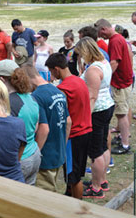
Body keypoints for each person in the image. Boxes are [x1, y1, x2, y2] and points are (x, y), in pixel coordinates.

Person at [46, 53, 92, 200]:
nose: (52, 75)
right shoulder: (79, 81)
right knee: (74, 172)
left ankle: (77, 206)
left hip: (73, 135)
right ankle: (69, 195)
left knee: (73, 176)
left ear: (57, 69)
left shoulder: (63, 88)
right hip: (85, 130)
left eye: (52, 71)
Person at [74, 37, 115, 199]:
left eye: (80, 54)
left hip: (97, 111)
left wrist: (85, 116)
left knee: (95, 151)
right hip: (107, 106)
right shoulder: (104, 62)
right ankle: (102, 181)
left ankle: (96, 187)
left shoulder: (92, 70)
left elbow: (92, 96)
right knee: (103, 147)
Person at [0, 59, 41, 185]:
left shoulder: (9, 104)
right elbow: (35, 127)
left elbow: (4, 137)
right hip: (33, 154)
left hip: (20, 159)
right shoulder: (31, 97)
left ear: (2, 80)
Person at [25, 64, 71, 193]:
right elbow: (68, 121)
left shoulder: (36, 97)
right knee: (53, 187)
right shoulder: (57, 91)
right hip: (59, 152)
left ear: (28, 79)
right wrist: (63, 144)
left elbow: (44, 129)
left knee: (44, 195)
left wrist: (36, 154)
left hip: (45, 156)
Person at [95, 19, 134, 154]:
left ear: (104, 29)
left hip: (120, 83)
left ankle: (125, 145)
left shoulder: (115, 41)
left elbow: (115, 63)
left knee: (121, 114)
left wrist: (104, 77)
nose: (101, 37)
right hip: (125, 81)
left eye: (101, 34)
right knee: (123, 111)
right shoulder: (118, 38)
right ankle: (123, 136)